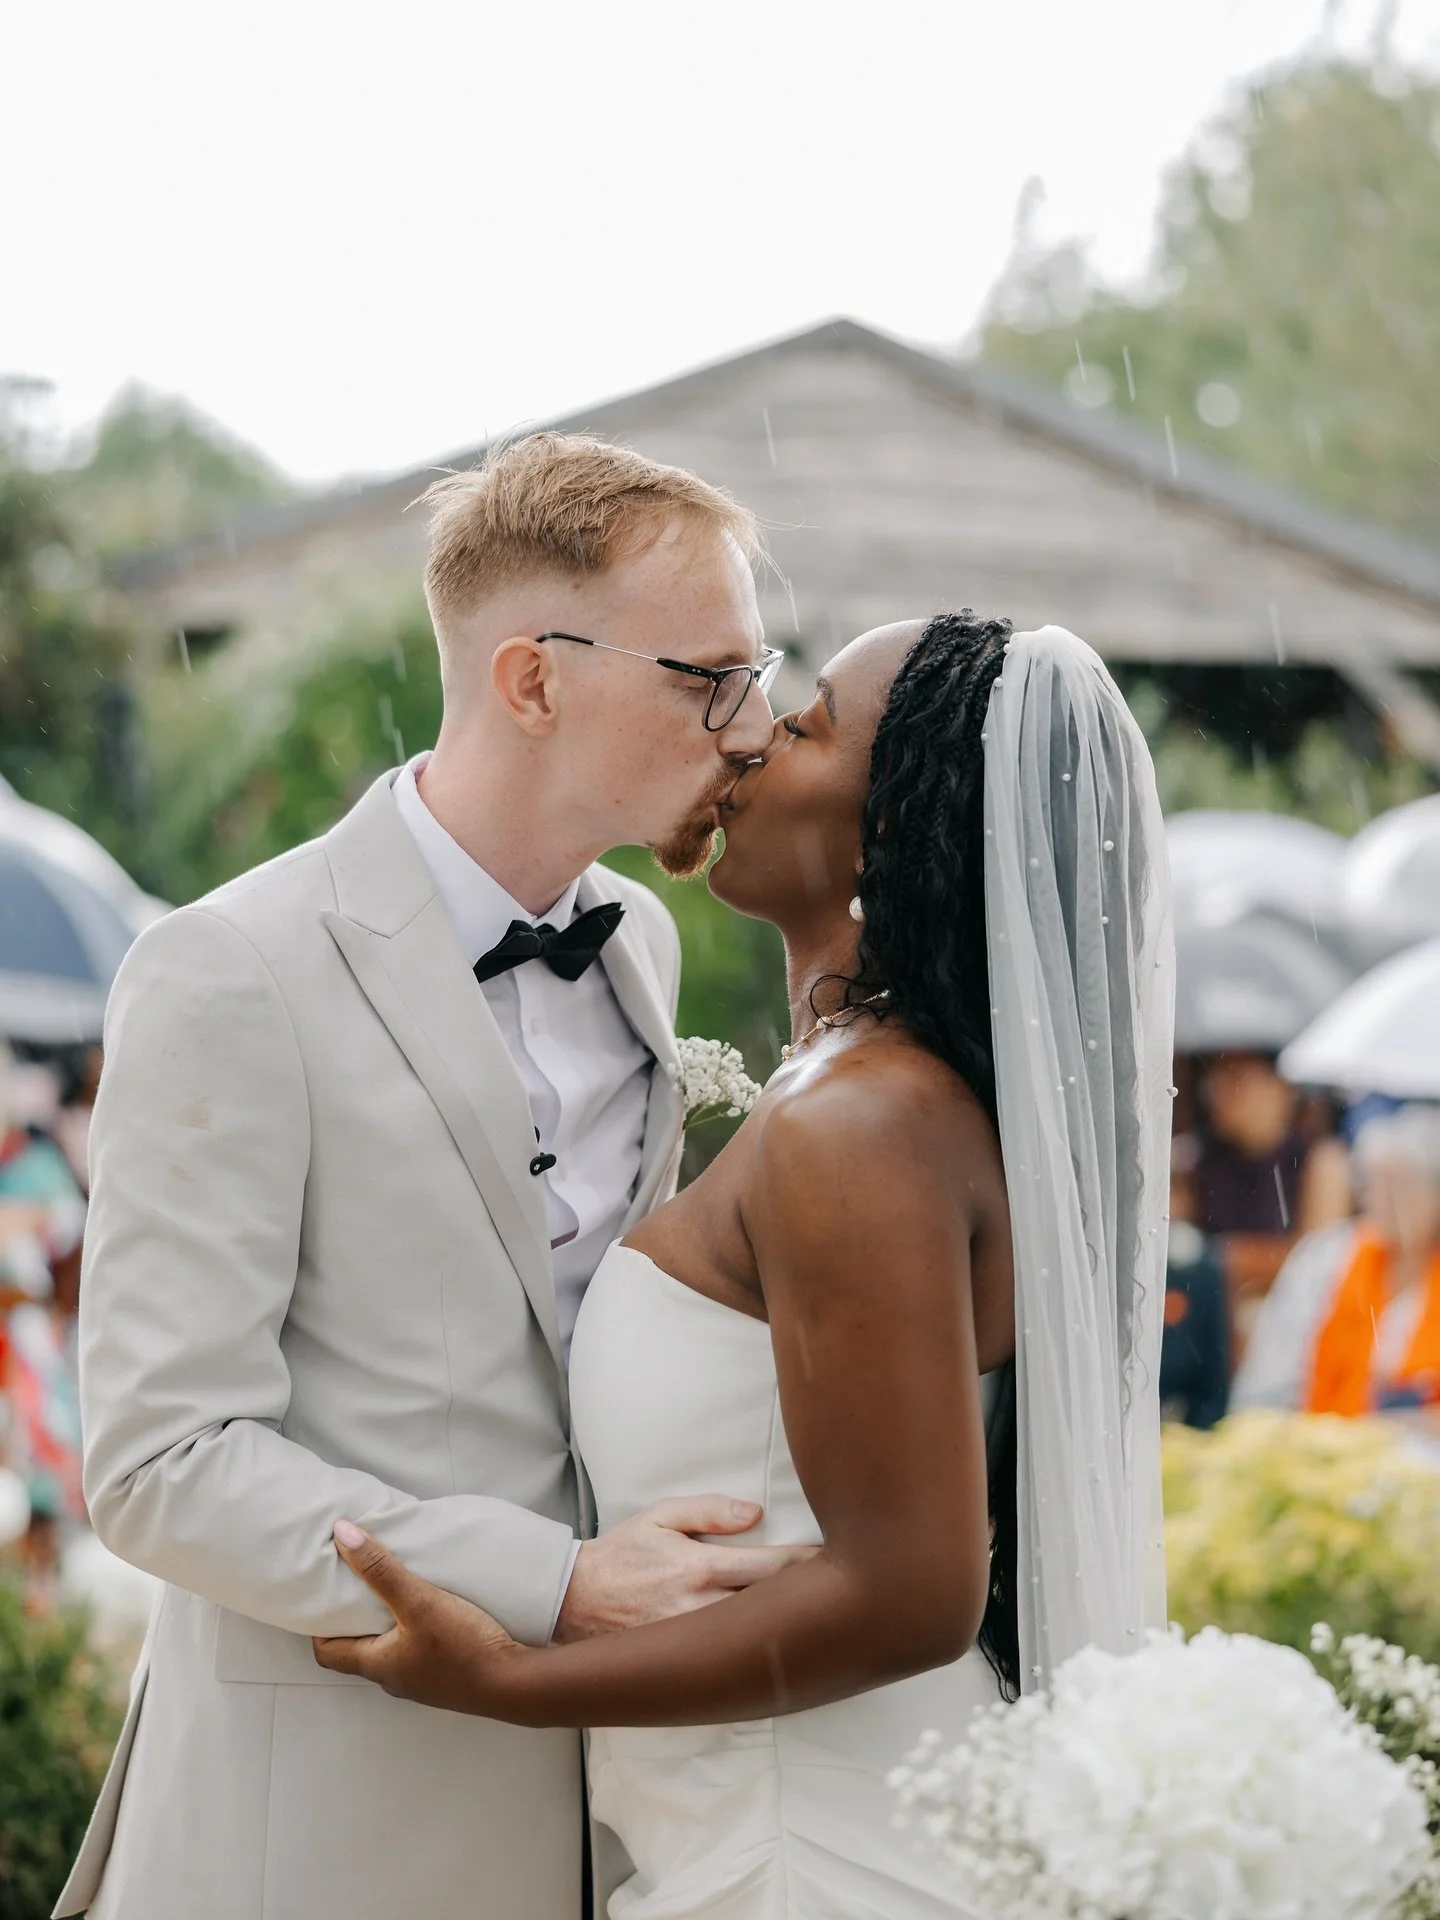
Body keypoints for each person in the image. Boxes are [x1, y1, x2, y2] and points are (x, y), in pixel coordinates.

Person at [315, 614, 1176, 1918]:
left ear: (899, 826)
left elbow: (909, 1593)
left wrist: (509, 1681)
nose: (754, 734)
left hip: (819, 1853)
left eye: (810, 721)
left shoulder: (861, 1127)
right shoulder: (877, 1103)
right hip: (788, 1828)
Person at [58, 434, 814, 1920]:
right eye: (706, 675)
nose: (753, 727)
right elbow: (162, 1464)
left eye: (760, 668)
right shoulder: (228, 971)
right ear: (531, 681)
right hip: (312, 1832)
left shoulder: (641, 949)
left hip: (609, 1816)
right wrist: (559, 1580)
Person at [1233, 1104, 1440, 1418]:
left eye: (1404, 1185)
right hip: (1322, 1444)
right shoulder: (1326, 1259)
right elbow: (1268, 1384)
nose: (1387, 1201)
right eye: (1376, 1185)